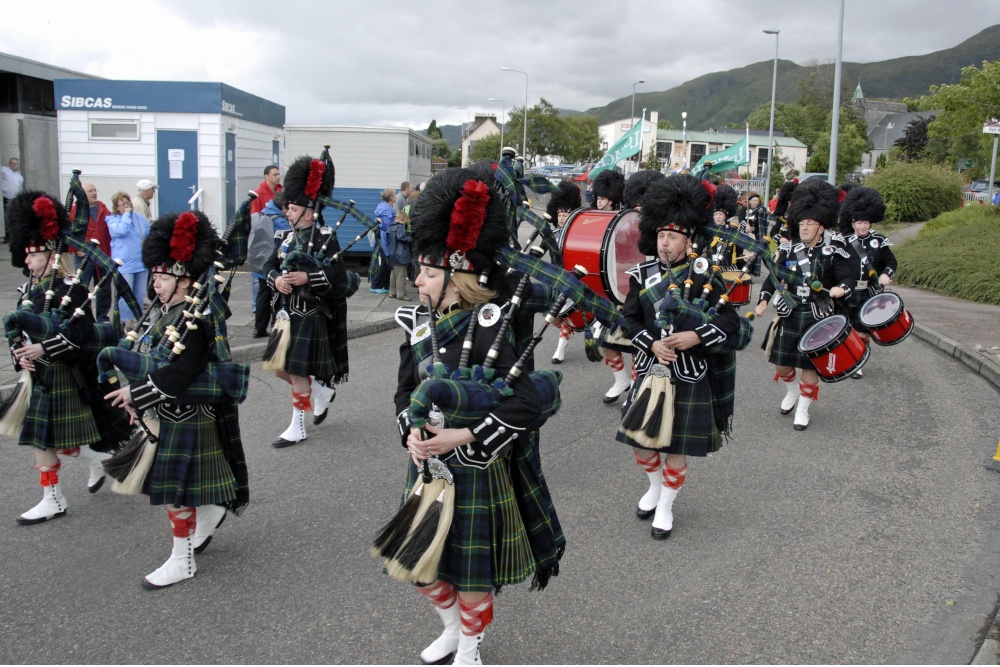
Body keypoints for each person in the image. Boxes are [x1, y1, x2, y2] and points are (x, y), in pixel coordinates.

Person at [390, 167, 562, 665]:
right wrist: (411, 431)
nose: (417, 279)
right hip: (426, 464)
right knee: (421, 567)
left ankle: (470, 645)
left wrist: (464, 434)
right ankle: (452, 628)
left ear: (457, 274)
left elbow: (527, 402)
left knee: (468, 575)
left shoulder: (489, 327)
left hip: (475, 467)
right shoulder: (418, 325)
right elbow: (403, 391)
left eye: (427, 271)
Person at [104, 209, 249, 590]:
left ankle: (182, 560)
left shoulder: (196, 319)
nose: (157, 282)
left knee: (173, 493)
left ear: (186, 280)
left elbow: (181, 373)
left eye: (165, 276)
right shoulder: (164, 312)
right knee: (173, 490)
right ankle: (211, 509)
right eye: (155, 274)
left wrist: (134, 392)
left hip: (185, 414)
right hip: (163, 413)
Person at [615, 175, 747, 541]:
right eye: (660, 235)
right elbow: (628, 320)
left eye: (672, 236)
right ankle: (654, 486)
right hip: (650, 369)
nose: (664, 242)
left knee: (676, 445)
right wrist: (650, 344)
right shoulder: (641, 276)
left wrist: (695, 335)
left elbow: (731, 324)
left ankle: (667, 504)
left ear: (690, 240)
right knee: (641, 441)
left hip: (689, 376)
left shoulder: (707, 276)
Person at [5, 189, 112, 524]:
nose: (26, 261)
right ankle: (93, 461)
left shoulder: (71, 288)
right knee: (45, 438)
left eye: (33, 256)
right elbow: (19, 334)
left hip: (62, 374)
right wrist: (19, 357)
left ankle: (54, 497)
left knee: (46, 439)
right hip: (35, 376)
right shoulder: (28, 291)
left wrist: (45, 349)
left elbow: (84, 336)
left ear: (51, 257)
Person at [264, 155, 359, 447]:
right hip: (285, 315)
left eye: (292, 209)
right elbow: (268, 266)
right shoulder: (286, 237)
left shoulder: (325, 238)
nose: (287, 213)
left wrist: (309, 279)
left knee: (295, 369)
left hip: (310, 313)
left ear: (308, 212)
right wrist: (276, 280)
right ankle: (320, 390)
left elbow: (340, 280)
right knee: (277, 367)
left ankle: (297, 426)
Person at [753, 179, 854, 431]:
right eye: (802, 222)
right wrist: (764, 300)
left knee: (810, 366)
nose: (805, 227)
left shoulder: (834, 252)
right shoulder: (789, 251)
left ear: (821, 226)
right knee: (782, 364)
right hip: (791, 314)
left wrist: (841, 288)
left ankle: (803, 408)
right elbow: (773, 278)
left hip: (819, 317)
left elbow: (848, 278)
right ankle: (792, 390)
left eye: (810, 223)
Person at [836, 186, 897, 378]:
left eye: (866, 223)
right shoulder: (841, 240)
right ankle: (848, 357)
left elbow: (891, 261)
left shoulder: (879, 240)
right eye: (859, 222)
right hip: (847, 291)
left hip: (868, 291)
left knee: (863, 329)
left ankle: (857, 362)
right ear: (852, 222)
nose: (863, 226)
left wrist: (886, 274)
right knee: (846, 327)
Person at [590, 170, 634, 404]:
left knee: (637, 344)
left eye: (605, 197)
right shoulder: (590, 219)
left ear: (613, 198)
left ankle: (636, 386)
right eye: (599, 196)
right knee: (605, 342)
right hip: (605, 289)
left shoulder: (625, 220)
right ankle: (621, 379)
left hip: (628, 286)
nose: (600, 200)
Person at [547, 181, 584, 363]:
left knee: (565, 313)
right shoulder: (551, 233)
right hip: (555, 279)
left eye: (566, 214)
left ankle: (560, 347)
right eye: (559, 214)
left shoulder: (578, 235)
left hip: (572, 279)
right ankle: (568, 330)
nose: (562, 218)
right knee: (552, 317)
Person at [69, 183, 113, 322]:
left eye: (95, 190)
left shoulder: (103, 208)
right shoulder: (76, 210)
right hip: (85, 256)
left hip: (102, 254)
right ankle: (84, 317)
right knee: (82, 288)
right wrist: (77, 250)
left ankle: (102, 318)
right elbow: (70, 232)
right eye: (90, 191)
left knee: (104, 288)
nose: (94, 193)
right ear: (83, 193)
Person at [248, 192, 291, 337]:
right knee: (276, 298)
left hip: (260, 265)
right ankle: (275, 328)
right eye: (288, 208)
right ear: (283, 207)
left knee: (262, 297)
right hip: (273, 266)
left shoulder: (263, 213)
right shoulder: (279, 221)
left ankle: (258, 329)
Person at [106, 191, 150, 328]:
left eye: (128, 202)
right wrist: (126, 215)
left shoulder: (139, 218)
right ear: (116, 207)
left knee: (139, 294)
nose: (126, 205)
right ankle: (126, 323)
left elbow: (148, 233)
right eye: (122, 203)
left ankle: (137, 319)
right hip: (124, 264)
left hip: (140, 262)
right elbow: (122, 230)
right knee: (125, 294)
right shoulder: (112, 220)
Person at [369, 187, 394, 294]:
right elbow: (388, 227)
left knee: (385, 261)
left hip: (380, 238)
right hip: (386, 240)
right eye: (394, 194)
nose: (395, 196)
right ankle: (376, 285)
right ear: (391, 197)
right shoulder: (388, 210)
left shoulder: (381, 206)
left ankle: (385, 285)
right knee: (386, 262)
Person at [386, 209, 412, 300]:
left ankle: (392, 292)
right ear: (403, 219)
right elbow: (401, 237)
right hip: (400, 254)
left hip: (392, 253)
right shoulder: (400, 227)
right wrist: (410, 240)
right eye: (406, 221)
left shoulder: (390, 227)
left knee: (393, 274)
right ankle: (401, 294)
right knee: (401, 275)